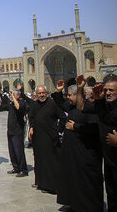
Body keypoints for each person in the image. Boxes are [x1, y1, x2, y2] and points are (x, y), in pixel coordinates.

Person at [53, 78, 102, 212]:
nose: (68, 97)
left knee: (86, 181)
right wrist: (59, 91)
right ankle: (75, 204)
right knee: (74, 179)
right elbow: (60, 104)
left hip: (86, 154)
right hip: (73, 153)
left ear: (77, 95)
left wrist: (76, 127)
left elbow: (95, 129)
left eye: (70, 95)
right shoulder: (72, 107)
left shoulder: (90, 109)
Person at [77, 76, 117, 210]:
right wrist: (80, 88)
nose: (108, 93)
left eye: (111, 90)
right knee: (112, 194)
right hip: (110, 160)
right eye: (106, 90)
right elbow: (82, 107)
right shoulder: (104, 106)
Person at [24, 85, 66, 194]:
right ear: (36, 94)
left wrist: (58, 131)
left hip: (50, 138)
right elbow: (32, 118)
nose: (42, 95)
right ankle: (41, 182)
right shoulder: (34, 105)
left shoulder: (51, 104)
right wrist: (31, 127)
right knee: (39, 160)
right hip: (38, 138)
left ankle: (51, 185)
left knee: (51, 162)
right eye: (40, 93)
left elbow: (62, 117)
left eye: (43, 93)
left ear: (46, 93)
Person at [0, 89, 28, 177]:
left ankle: (23, 169)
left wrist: (13, 98)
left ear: (18, 95)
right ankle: (16, 168)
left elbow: (19, 108)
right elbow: (0, 107)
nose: (11, 95)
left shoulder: (22, 102)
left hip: (18, 131)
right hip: (10, 130)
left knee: (19, 151)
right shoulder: (11, 103)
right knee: (12, 151)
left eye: (13, 94)